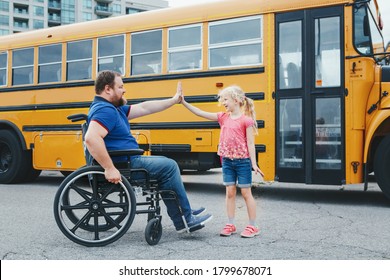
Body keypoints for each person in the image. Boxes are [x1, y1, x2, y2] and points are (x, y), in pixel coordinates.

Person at [84, 70, 212, 233]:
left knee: (165, 166)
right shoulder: (105, 110)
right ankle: (185, 218)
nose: (124, 90)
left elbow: (145, 107)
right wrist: (109, 168)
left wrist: (173, 101)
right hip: (126, 164)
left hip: (127, 160)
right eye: (121, 87)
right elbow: (91, 138)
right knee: (169, 166)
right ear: (108, 89)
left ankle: (183, 212)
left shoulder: (114, 109)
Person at [180, 83, 264, 238]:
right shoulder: (222, 117)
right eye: (222, 100)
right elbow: (200, 113)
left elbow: (251, 144)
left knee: (246, 193)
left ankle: (253, 226)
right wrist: (184, 103)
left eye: (226, 99)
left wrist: (254, 164)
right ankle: (230, 224)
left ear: (237, 100)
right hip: (227, 161)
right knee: (230, 193)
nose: (223, 102)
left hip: (243, 162)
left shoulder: (246, 120)